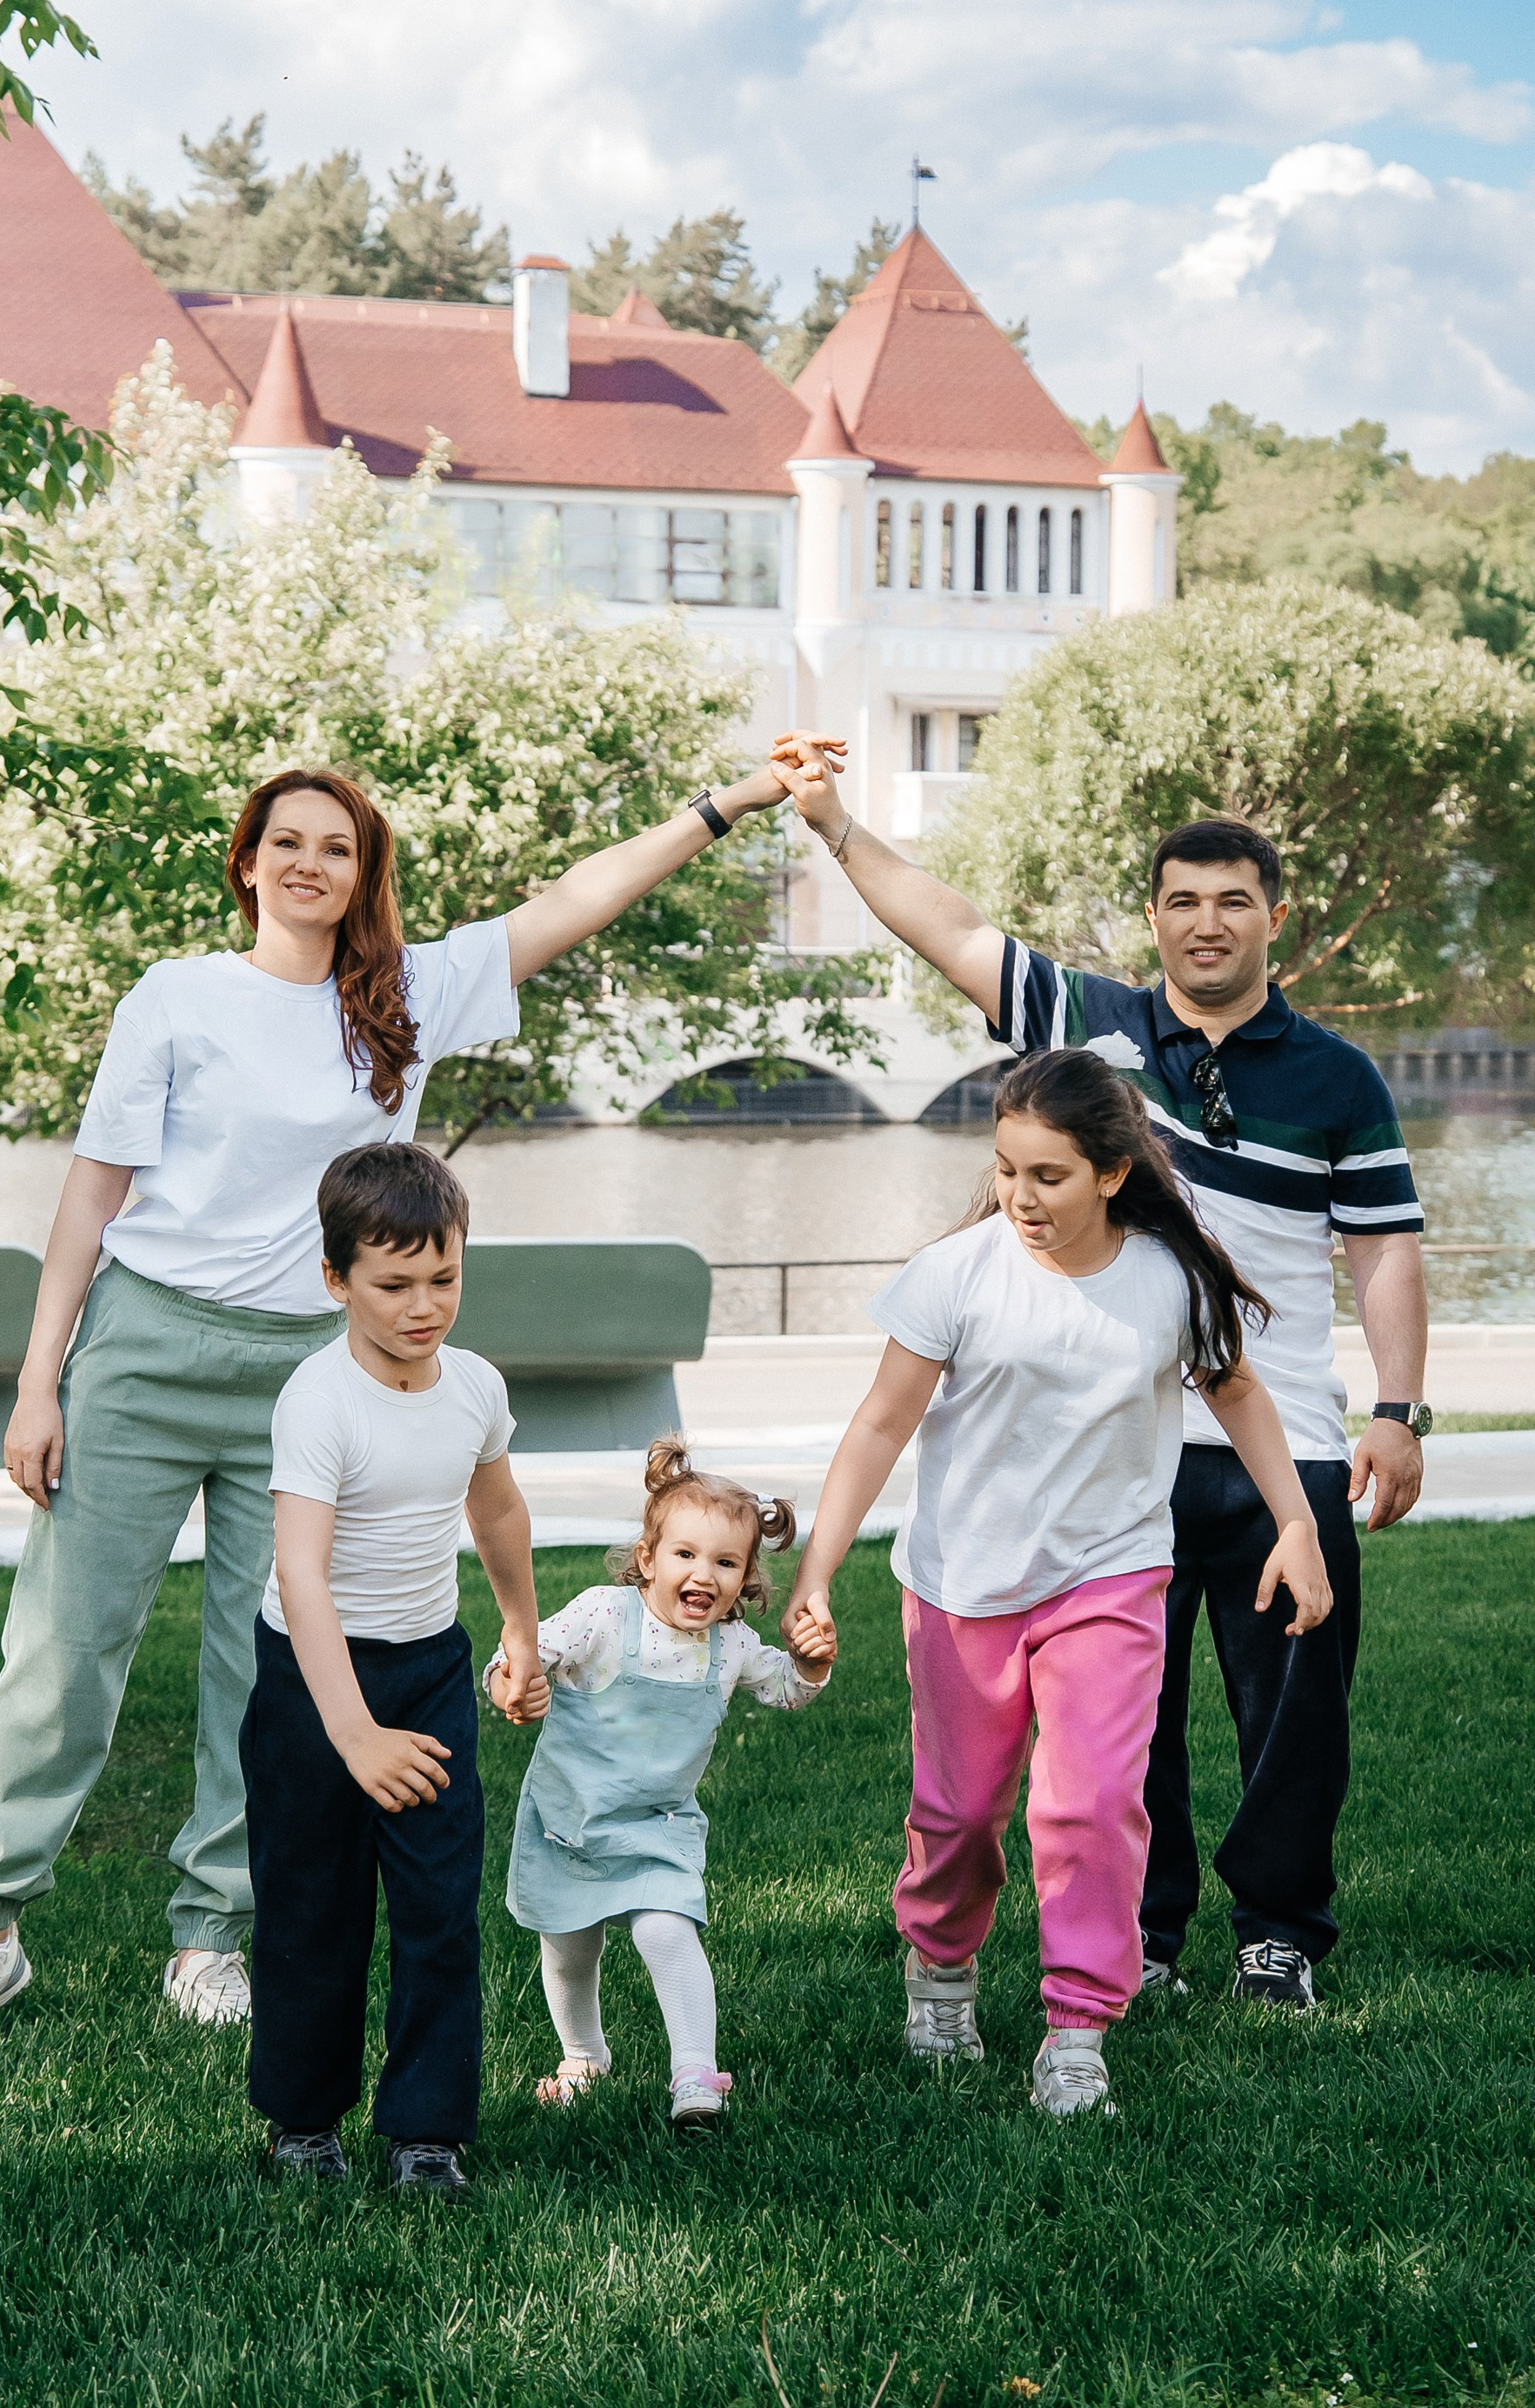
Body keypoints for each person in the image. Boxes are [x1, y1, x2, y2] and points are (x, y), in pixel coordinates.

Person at [0, 754, 798, 2042]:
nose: (309, 862)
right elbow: (89, 1200)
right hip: (147, 1349)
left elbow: (577, 901)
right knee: (61, 1651)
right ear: (247, 859)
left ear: (361, 872)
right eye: (287, 840)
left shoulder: (407, 997)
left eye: (337, 846)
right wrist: (39, 1379)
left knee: (255, 1666)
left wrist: (725, 807)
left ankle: (212, 1935)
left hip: (307, 1373)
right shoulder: (177, 997)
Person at [771, 739, 1428, 2009]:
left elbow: (1385, 1252)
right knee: (1123, 1718)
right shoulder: (1091, 1029)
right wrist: (834, 825)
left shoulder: (1340, 1076)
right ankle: (1151, 1930)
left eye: (1234, 899)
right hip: (1115, 1444)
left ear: (1274, 919)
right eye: (1183, 898)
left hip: (1276, 1430)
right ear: (1155, 916)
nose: (1207, 921)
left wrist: (1397, 1413)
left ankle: (1279, 1928)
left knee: (1297, 1697)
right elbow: (948, 926)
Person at [783, 1050, 1331, 2118]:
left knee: (1088, 1808)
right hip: (961, 1584)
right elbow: (879, 1425)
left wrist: (1297, 1524)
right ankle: (940, 1970)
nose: (1020, 1198)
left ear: (1112, 1173)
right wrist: (816, 1571)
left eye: (1049, 1176)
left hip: (1109, 1576)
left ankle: (1075, 2030)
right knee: (957, 1814)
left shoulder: (1167, 1277)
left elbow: (1239, 1393)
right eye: (1005, 1171)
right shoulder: (958, 1274)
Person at [243, 1142, 537, 2193]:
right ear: (335, 1281)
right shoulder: (317, 1402)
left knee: (435, 1906)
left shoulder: (473, 1387)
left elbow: (495, 1508)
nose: (425, 1306)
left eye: (444, 1277)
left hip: (428, 1668)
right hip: (309, 1683)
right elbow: (302, 1576)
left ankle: (426, 2130)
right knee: (311, 1910)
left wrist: (517, 1632)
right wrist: (351, 1733)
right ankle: (300, 2122)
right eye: (394, 1284)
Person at [491, 1439, 836, 2135]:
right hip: (571, 1822)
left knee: (667, 1930)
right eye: (685, 1555)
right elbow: (526, 1652)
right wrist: (513, 1679)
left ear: (745, 1581)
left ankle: (695, 2079)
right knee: (568, 1945)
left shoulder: (732, 1647)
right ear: (647, 1560)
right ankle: (583, 2057)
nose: (703, 1574)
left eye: (726, 1562)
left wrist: (813, 1662)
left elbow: (787, 1691)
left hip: (658, 1827)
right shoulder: (602, 1616)